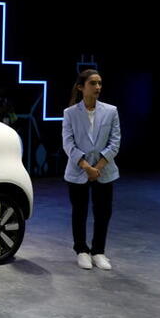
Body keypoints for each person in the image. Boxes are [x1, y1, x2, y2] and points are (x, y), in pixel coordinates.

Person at [62, 69, 121, 270]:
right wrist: (86, 167)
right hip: (79, 170)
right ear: (81, 87)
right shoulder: (69, 113)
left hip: (104, 170)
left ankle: (98, 251)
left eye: (99, 83)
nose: (98, 87)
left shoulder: (111, 111)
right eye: (93, 83)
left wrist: (98, 167)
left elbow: (115, 142)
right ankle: (81, 250)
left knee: (103, 212)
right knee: (79, 212)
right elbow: (68, 144)